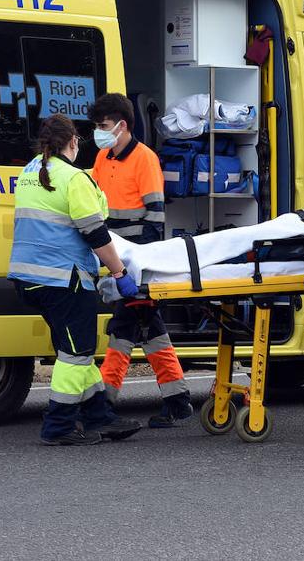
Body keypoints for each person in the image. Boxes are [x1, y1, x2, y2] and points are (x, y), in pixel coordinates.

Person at [8, 113, 143, 446]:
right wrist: (119, 272)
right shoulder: (73, 178)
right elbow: (94, 232)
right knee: (75, 352)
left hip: (29, 279)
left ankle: (100, 417)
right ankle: (59, 426)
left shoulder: (29, 171)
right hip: (63, 280)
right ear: (73, 141)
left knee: (76, 350)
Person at [88, 93, 193, 428]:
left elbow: (154, 217)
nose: (99, 132)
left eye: (103, 126)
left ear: (122, 125)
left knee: (123, 327)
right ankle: (177, 400)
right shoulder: (103, 158)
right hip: (114, 254)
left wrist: (137, 265)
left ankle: (106, 399)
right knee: (149, 329)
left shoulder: (145, 159)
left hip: (136, 258)